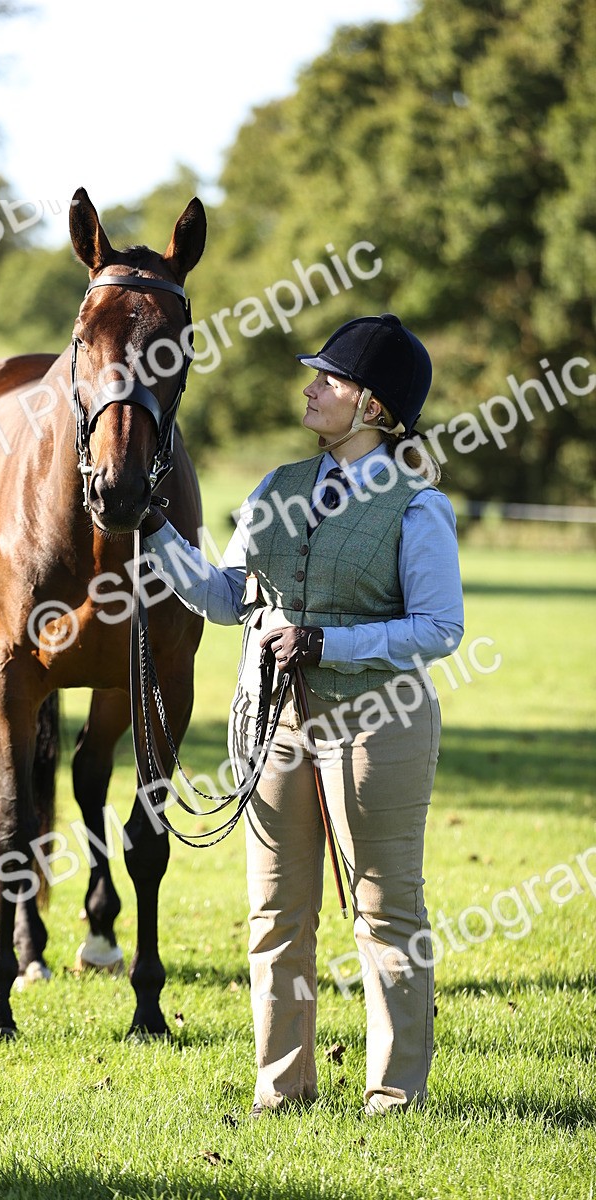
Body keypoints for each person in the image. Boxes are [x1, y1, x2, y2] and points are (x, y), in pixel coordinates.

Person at [141, 313, 464, 1116]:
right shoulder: (276, 488)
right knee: (276, 912)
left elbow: (439, 628)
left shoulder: (418, 507)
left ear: (374, 407)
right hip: (274, 724)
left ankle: (395, 1095)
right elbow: (226, 598)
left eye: (332, 378)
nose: (312, 387)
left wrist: (328, 644)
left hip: (378, 723)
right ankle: (282, 1090)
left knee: (387, 912)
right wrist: (154, 530)